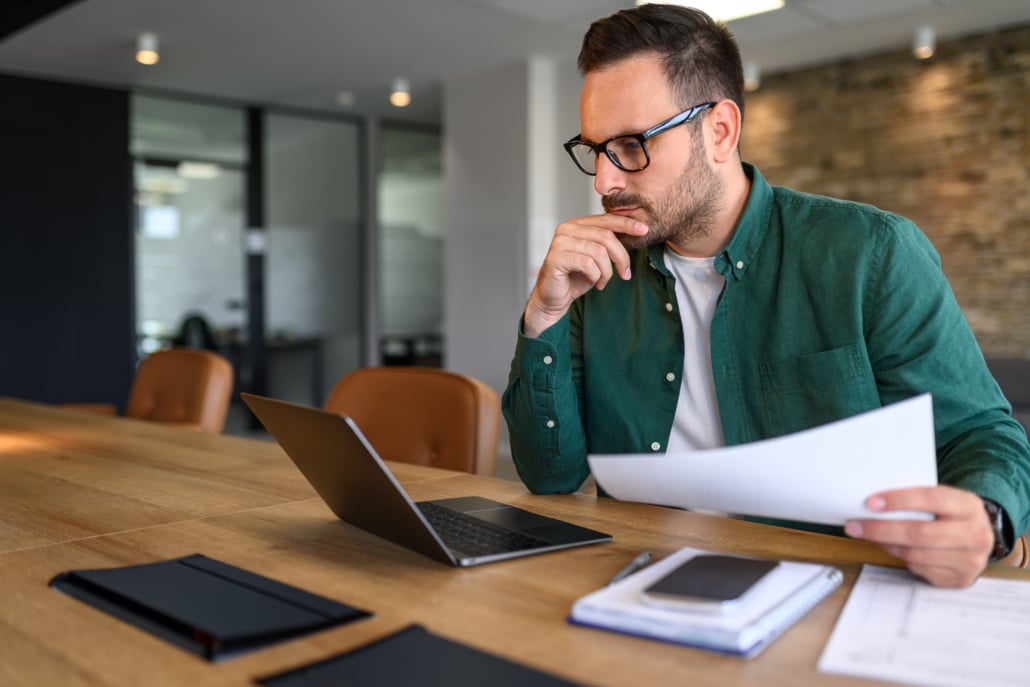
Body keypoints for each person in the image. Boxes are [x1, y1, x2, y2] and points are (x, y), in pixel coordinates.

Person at [501, 3, 1030, 588]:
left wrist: (985, 517)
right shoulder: (600, 279)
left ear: (720, 131)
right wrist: (543, 315)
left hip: (830, 590)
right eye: (596, 149)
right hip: (639, 583)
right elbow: (550, 477)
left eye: (631, 145)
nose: (604, 181)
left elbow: (981, 433)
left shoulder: (870, 253)